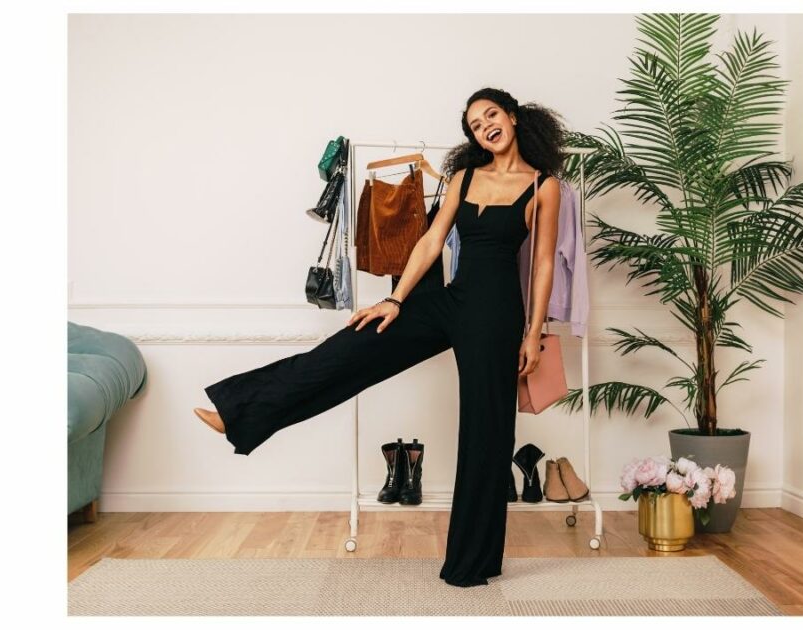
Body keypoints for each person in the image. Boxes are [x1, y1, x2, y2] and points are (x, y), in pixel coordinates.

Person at [194, 87, 565, 587]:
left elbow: (542, 265)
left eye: (491, 116)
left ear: (514, 118)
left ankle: (472, 564)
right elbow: (432, 241)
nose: (485, 127)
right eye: (476, 125)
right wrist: (395, 300)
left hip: (496, 317)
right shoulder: (464, 177)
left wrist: (534, 333)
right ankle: (242, 411)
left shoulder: (544, 187)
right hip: (450, 301)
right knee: (353, 347)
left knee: (486, 433)